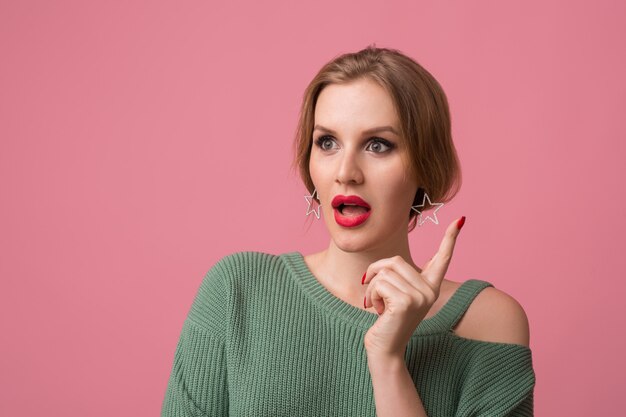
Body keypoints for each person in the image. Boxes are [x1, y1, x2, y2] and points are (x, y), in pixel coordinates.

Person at [161, 46, 535, 416]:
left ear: (425, 164)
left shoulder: (486, 323)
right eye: (327, 142)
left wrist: (388, 361)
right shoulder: (237, 290)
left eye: (378, 145)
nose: (346, 171)